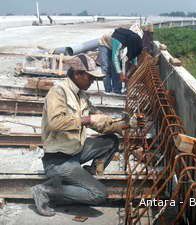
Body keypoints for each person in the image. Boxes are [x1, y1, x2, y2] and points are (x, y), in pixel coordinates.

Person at [31, 54, 126, 217]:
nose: (92, 81)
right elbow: (55, 123)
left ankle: (86, 175)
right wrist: (88, 119)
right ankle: (46, 190)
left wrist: (120, 125)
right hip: (58, 161)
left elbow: (98, 122)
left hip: (75, 151)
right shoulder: (58, 92)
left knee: (111, 141)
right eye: (90, 77)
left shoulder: (82, 95)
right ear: (77, 74)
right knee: (99, 195)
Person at [97, 27, 143, 94]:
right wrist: (121, 74)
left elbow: (134, 59)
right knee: (106, 67)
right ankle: (108, 90)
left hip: (113, 45)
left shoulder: (133, 43)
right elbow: (114, 57)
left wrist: (128, 74)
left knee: (118, 67)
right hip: (104, 43)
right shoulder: (119, 41)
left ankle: (117, 90)